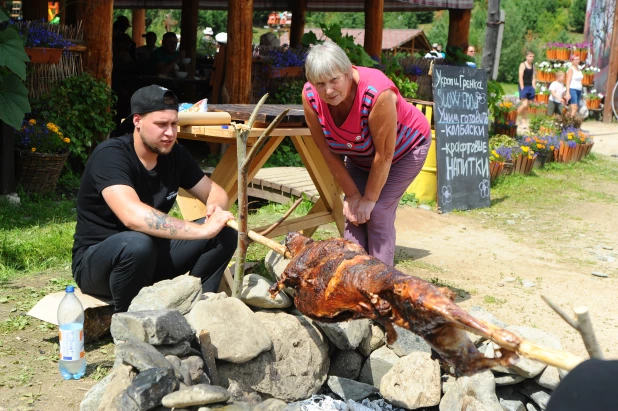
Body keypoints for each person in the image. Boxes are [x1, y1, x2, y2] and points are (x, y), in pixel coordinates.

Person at [72, 85, 237, 312]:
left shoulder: (174, 154)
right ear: (137, 121)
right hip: (100, 264)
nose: (170, 132)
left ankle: (199, 309)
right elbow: (132, 216)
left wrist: (215, 210)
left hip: (150, 257)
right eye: (161, 124)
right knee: (137, 244)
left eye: (174, 124)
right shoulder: (110, 155)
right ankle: (131, 324)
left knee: (225, 235)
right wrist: (200, 230)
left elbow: (214, 191)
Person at [302, 42, 431, 266]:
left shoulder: (377, 93)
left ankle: (380, 286)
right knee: (353, 215)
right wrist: (352, 196)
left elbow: (385, 154)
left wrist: (370, 198)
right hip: (360, 155)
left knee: (378, 211)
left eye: (334, 80)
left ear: (348, 73)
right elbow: (326, 151)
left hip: (405, 150)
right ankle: (353, 279)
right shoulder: (311, 97)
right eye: (320, 84)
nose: (328, 90)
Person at [516, 51, 536, 126]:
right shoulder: (522, 65)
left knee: (527, 105)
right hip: (523, 86)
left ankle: (523, 121)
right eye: (530, 56)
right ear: (526, 57)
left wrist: (533, 88)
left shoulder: (533, 66)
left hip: (530, 86)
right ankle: (514, 115)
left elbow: (533, 78)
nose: (532, 58)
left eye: (533, 56)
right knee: (524, 104)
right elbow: (520, 77)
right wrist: (522, 88)